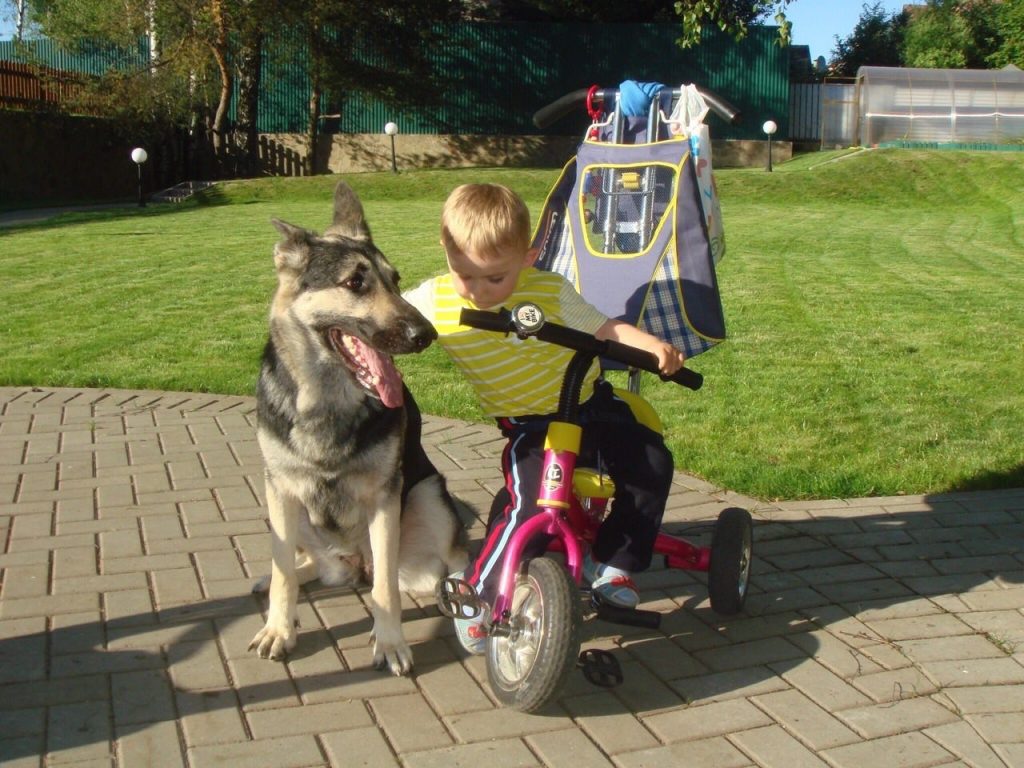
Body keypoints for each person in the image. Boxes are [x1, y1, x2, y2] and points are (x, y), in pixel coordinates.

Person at [403, 183, 685, 655]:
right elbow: (389, 319)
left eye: (495, 278)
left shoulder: (550, 291)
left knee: (651, 464)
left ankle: (614, 562)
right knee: (530, 506)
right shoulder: (435, 300)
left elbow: (605, 328)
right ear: (446, 253)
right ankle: (481, 595)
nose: (478, 291)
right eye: (464, 274)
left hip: (590, 407)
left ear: (529, 257)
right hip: (531, 428)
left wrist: (652, 346)